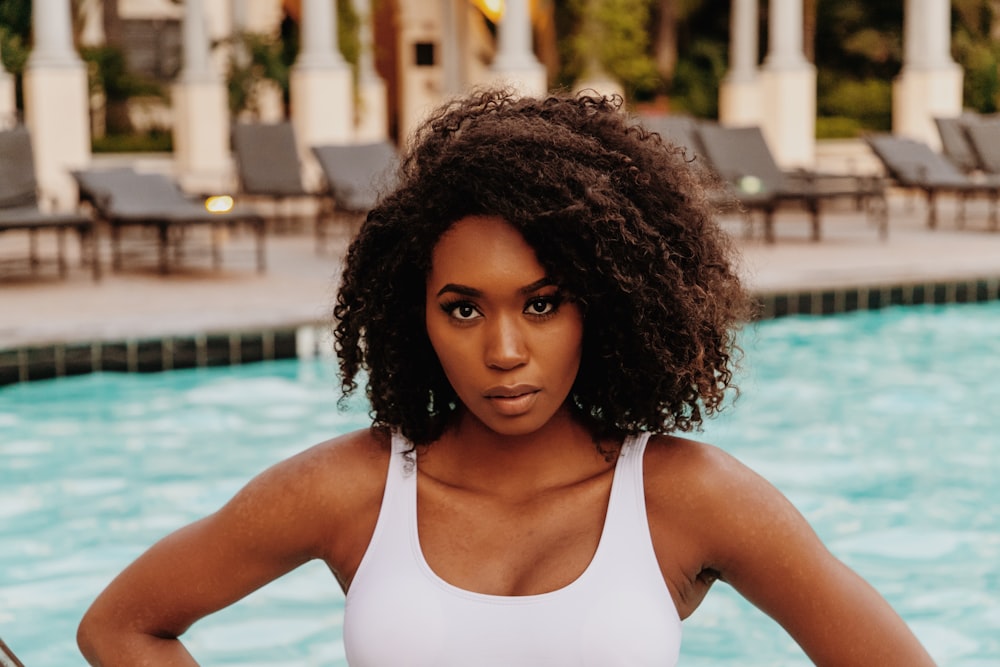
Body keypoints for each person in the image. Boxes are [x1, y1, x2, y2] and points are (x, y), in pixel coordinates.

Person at [77, 89, 936, 666]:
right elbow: (120, 627)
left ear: (603, 304)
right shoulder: (352, 489)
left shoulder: (688, 495)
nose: (503, 351)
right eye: (462, 308)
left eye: (541, 303)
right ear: (413, 315)